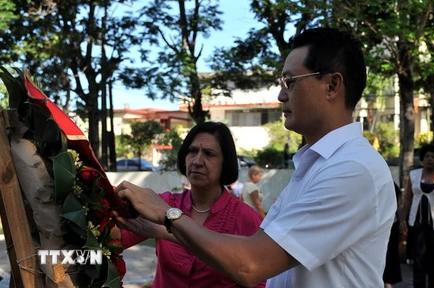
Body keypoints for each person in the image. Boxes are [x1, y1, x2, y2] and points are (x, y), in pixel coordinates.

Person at [115, 27, 396, 287]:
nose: (280, 95)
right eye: (192, 151)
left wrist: (167, 216)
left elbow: (251, 264)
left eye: (291, 81)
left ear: (333, 86)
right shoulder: (316, 165)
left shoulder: (351, 169)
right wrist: (164, 228)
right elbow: (254, 246)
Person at [115, 122, 266, 288]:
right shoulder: (164, 203)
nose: (197, 161)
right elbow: (114, 235)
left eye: (209, 154)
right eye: (192, 151)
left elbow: (259, 279)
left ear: (225, 163)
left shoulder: (245, 217)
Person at [399, 143, 434, 288]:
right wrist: (403, 220)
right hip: (417, 224)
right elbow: (407, 199)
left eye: (433, 157)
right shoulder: (414, 175)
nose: (430, 159)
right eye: (427, 156)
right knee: (419, 259)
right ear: (422, 159)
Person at [383, 182, 402, 287]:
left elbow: (399, 205)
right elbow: (399, 205)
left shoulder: (391, 184)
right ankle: (388, 282)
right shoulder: (391, 183)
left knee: (390, 255)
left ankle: (388, 282)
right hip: (389, 224)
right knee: (390, 255)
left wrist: (402, 221)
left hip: (389, 224)